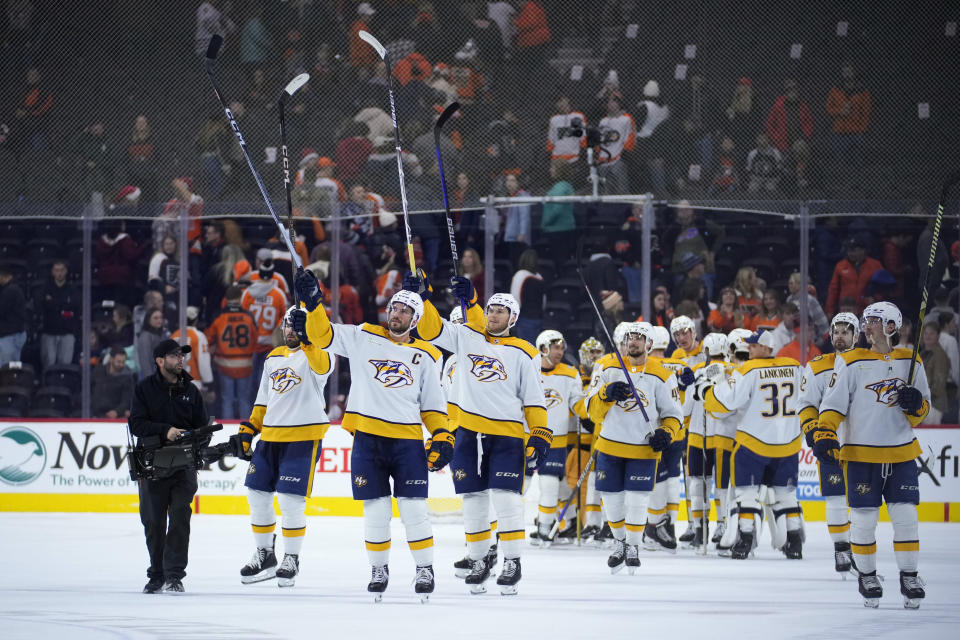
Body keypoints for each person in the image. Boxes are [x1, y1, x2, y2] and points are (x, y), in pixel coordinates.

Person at [298, 269, 448, 601]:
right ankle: (378, 569)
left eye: (405, 310)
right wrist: (313, 305)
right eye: (394, 307)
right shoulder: (364, 335)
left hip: (408, 443)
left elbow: (433, 404)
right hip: (368, 439)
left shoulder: (428, 356)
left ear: (415, 318)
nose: (396, 313)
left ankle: (424, 568)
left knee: (413, 510)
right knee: (376, 510)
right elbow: (322, 337)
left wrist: (442, 434)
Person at [411, 272, 547, 595]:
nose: (493, 314)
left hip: (506, 434)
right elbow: (431, 329)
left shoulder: (526, 352)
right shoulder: (467, 337)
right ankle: (478, 559)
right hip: (467, 433)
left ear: (512, 318)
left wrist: (540, 433)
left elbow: (534, 399)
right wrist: (425, 298)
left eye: (501, 310)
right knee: (472, 499)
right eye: (490, 309)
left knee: (505, 498)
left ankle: (512, 561)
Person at [816, 302, 930, 609]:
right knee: (864, 521)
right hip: (861, 455)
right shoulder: (851, 361)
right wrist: (825, 432)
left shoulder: (911, 359)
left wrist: (915, 403)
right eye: (866, 321)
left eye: (874, 322)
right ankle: (867, 575)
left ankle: (909, 575)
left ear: (891, 326)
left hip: (902, 453)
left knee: (906, 518)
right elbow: (832, 406)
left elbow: (922, 412)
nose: (867, 326)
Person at [232, 305, 332, 588]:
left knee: (290, 500)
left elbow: (322, 366)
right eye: (287, 325)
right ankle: (265, 554)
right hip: (270, 438)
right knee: (257, 495)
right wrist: (249, 428)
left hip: (303, 438)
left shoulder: (320, 355)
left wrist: (309, 335)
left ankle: (291, 557)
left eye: (296, 325)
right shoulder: (273, 357)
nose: (290, 330)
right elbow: (264, 400)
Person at [700, 329, 804, 561]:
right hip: (787, 444)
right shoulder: (796, 366)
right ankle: (794, 542)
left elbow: (726, 402)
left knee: (746, 496)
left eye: (755, 346)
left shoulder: (748, 369)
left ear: (767, 348)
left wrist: (711, 386)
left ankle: (745, 541)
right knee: (786, 496)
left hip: (753, 444)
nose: (750, 349)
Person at [587, 322, 682, 573]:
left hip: (643, 448)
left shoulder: (662, 374)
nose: (633, 341)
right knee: (612, 501)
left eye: (639, 338)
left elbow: (675, 415)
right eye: (630, 337)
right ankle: (619, 542)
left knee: (638, 500)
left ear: (649, 344)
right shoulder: (607, 367)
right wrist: (605, 394)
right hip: (610, 445)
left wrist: (666, 432)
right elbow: (592, 411)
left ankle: (633, 545)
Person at [128, 339, 208, 593]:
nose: (180, 359)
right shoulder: (144, 389)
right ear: (160, 361)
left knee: (179, 517)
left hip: (183, 465)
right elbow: (136, 425)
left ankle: (174, 575)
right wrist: (166, 431)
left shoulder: (192, 391)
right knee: (152, 521)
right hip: (153, 465)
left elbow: (203, 427)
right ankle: (157, 573)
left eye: (182, 356)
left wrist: (194, 439)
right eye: (174, 356)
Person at [796, 312, 860, 577]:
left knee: (860, 501)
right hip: (829, 441)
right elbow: (806, 405)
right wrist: (812, 430)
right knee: (835, 498)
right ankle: (842, 549)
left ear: (857, 335)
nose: (840, 336)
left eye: (846, 331)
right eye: (837, 331)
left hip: (861, 443)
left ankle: (860, 547)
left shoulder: (867, 364)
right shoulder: (817, 366)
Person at [529, 330, 587, 544]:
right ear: (543, 348)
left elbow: (576, 401)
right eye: (556, 347)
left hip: (556, 440)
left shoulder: (571, 374)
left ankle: (544, 527)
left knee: (550, 483)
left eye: (562, 348)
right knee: (522, 486)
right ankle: (571, 521)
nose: (560, 352)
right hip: (526, 437)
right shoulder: (528, 369)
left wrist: (587, 414)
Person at [642, 324, 690, 552]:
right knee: (672, 481)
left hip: (654, 432)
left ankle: (654, 527)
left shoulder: (647, 366)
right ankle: (668, 526)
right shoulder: (680, 365)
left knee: (658, 482)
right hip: (676, 431)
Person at [685, 333, 729, 548]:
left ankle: (700, 527)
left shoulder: (699, 372)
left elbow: (685, 408)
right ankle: (721, 525)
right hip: (720, 436)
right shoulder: (734, 372)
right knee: (721, 486)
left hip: (701, 435)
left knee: (699, 485)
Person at [205, 286, 258, 420]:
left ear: (226, 299)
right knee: (244, 399)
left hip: (225, 364)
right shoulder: (248, 316)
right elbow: (255, 338)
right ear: (240, 298)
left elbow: (208, 339)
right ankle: (246, 431)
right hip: (245, 364)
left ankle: (227, 433)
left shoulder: (219, 316)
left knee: (226, 399)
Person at [241, 261, 289, 384]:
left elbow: (242, 315)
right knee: (263, 379)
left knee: (249, 379)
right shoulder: (279, 294)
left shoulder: (248, 293)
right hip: (269, 343)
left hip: (251, 342)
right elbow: (284, 318)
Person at [36, 260, 79, 370]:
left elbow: (74, 306)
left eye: (61, 270)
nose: (59, 273)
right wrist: (63, 305)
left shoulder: (72, 289)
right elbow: (41, 305)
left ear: (66, 272)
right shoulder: (45, 288)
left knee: (65, 365)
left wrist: (53, 303)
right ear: (52, 272)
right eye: (56, 270)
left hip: (67, 332)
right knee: (48, 365)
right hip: (49, 331)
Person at [826, 237, 883, 315]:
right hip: (846, 309)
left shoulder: (875, 265)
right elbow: (833, 289)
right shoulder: (840, 266)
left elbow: (883, 287)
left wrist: (876, 299)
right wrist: (829, 310)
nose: (850, 253)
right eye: (849, 251)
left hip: (868, 309)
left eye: (854, 250)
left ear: (863, 251)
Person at [170, 307, 214, 393]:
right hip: (194, 382)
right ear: (196, 319)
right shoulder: (199, 336)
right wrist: (209, 383)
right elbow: (203, 362)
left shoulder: (173, 336)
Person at [91, 347, 135, 419]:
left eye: (123, 362)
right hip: (94, 415)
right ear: (111, 359)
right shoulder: (99, 371)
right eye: (118, 361)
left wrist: (117, 411)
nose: (121, 364)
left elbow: (127, 400)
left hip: (114, 416)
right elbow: (89, 391)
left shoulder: (127, 377)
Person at [920, 322, 949, 425]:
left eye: (931, 333)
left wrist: (920, 396)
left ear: (938, 336)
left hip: (934, 404)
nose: (928, 336)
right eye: (926, 333)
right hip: (924, 403)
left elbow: (939, 383)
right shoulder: (922, 354)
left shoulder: (939, 355)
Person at [135, 309, 168, 379]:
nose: (159, 320)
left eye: (161, 317)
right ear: (148, 320)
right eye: (155, 318)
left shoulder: (160, 334)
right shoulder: (145, 336)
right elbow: (145, 361)